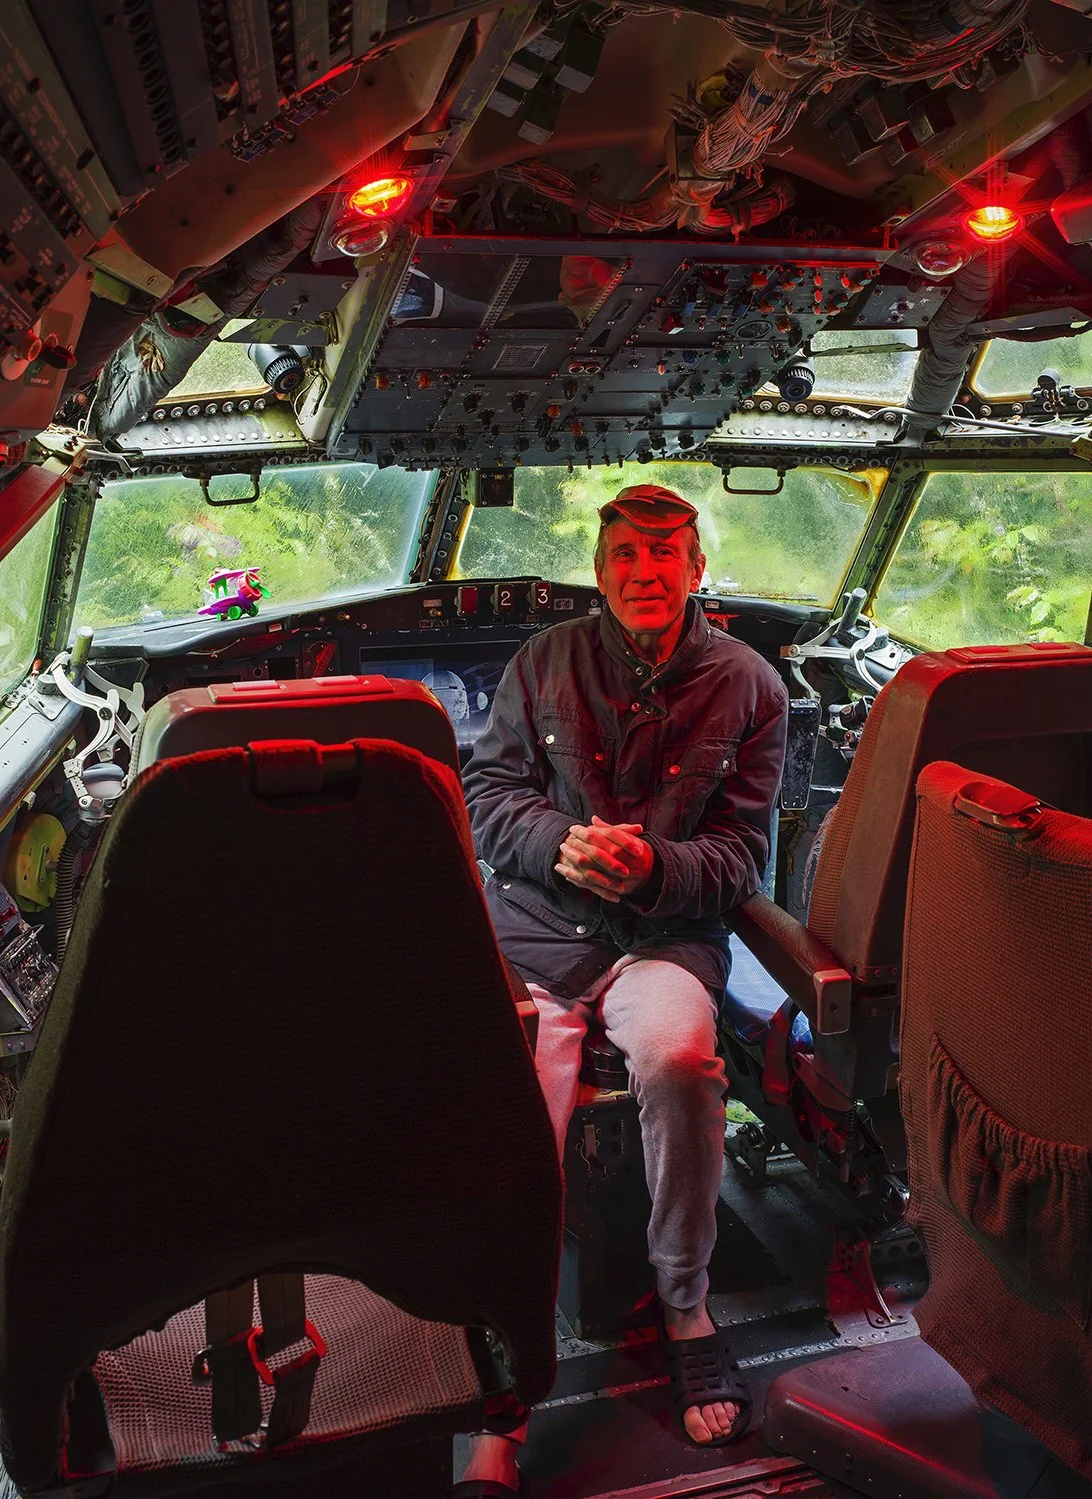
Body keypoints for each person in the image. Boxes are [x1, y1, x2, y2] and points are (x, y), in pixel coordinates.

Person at [455, 484, 789, 1492]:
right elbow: (487, 797)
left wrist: (653, 871)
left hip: (661, 940)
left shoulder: (750, 686)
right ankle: (499, 1390)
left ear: (694, 567)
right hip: (542, 936)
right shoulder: (541, 662)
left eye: (663, 555)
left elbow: (739, 855)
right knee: (517, 1119)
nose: (643, 573)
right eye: (623, 557)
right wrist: (561, 845)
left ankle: (683, 1302)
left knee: (684, 1060)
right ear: (599, 570)